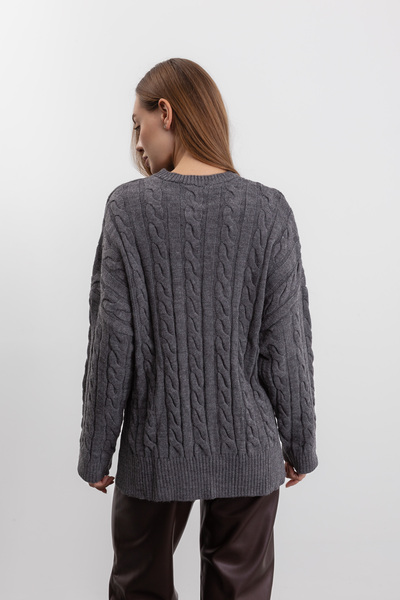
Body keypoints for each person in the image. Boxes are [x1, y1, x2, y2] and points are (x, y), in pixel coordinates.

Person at [77, 57, 318, 600]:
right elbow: (286, 345)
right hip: (249, 449)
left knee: (139, 589)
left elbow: (113, 344)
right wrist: (300, 442)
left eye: (138, 125)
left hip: (155, 448)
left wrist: (96, 451)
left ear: (166, 112)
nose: (137, 143)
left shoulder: (128, 208)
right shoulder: (269, 210)